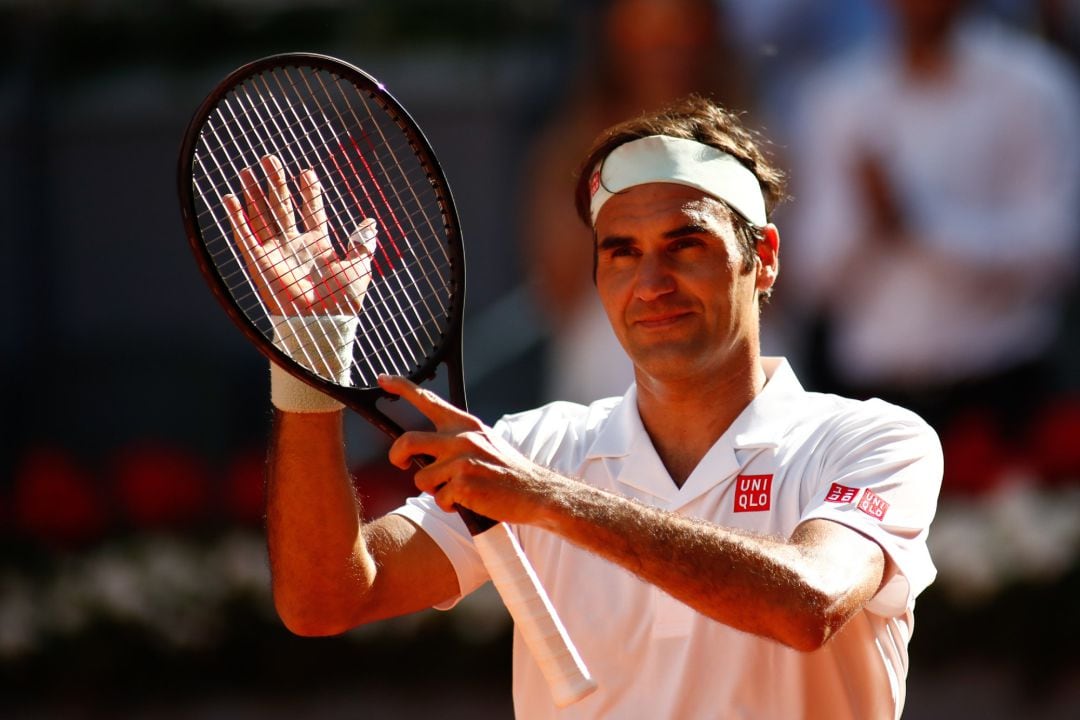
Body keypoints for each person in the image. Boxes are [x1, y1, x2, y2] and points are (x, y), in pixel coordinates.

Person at [227, 97, 943, 719]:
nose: (651, 281)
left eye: (685, 243)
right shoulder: (535, 450)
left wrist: (545, 500)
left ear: (764, 257)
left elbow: (809, 603)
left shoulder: (875, 439)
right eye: (622, 252)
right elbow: (326, 600)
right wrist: (310, 356)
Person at [785, 0, 1080, 444]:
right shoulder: (838, 97)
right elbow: (811, 276)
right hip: (872, 400)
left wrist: (924, 223)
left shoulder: (1032, 86)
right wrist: (871, 221)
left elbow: (1056, 252)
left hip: (1003, 393)